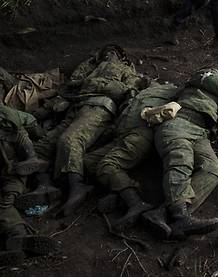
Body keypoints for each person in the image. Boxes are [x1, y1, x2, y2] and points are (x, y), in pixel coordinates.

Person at [27, 45, 145, 216]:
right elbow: (71, 84)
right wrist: (100, 84)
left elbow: (128, 91)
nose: (110, 53)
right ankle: (46, 187)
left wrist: (92, 83)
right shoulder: (88, 65)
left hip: (100, 108)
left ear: (121, 57)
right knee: (41, 148)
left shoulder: (127, 70)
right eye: (107, 51)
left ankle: (78, 186)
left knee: (70, 140)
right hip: (74, 106)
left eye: (115, 51)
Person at [143, 69, 218, 239]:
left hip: (201, 133)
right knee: (181, 160)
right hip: (181, 122)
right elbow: (209, 78)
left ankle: (163, 214)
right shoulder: (209, 77)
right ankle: (179, 216)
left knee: (213, 170)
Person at [95, 82, 179, 231]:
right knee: (89, 161)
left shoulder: (173, 91)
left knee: (108, 164)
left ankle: (135, 202)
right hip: (122, 134)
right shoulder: (140, 94)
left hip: (142, 133)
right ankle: (118, 192)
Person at [0, 104, 58, 266]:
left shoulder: (12, 127)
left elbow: (20, 168)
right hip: (11, 175)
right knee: (4, 202)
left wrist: (13, 190)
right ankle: (15, 237)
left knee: (6, 200)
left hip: (10, 175)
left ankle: (18, 237)